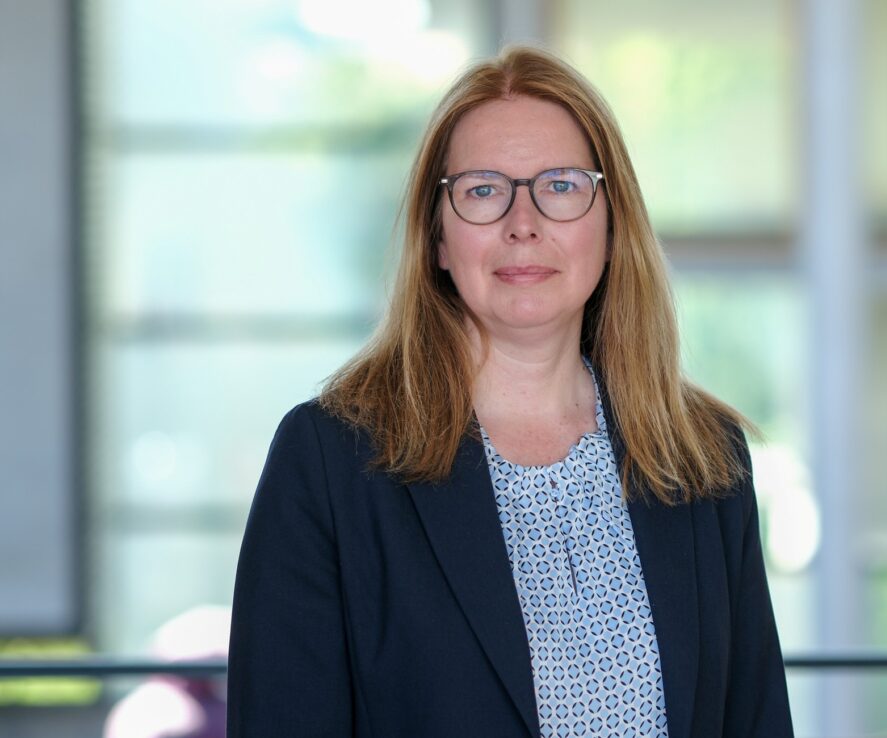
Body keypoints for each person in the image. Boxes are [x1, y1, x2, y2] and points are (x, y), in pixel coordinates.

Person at [227, 46, 793, 738]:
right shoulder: (329, 462)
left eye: (561, 185)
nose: (523, 223)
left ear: (611, 228)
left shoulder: (703, 457)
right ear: (437, 237)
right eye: (483, 191)